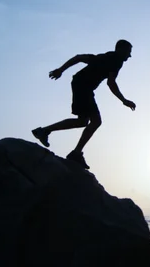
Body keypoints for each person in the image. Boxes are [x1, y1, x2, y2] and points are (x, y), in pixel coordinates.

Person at [32, 39, 136, 169]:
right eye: (128, 52)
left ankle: (45, 132)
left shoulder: (106, 58)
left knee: (83, 121)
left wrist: (61, 70)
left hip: (81, 85)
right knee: (96, 121)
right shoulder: (115, 60)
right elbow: (111, 83)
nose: (129, 56)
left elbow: (79, 58)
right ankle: (75, 153)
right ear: (120, 50)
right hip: (83, 86)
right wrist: (124, 100)